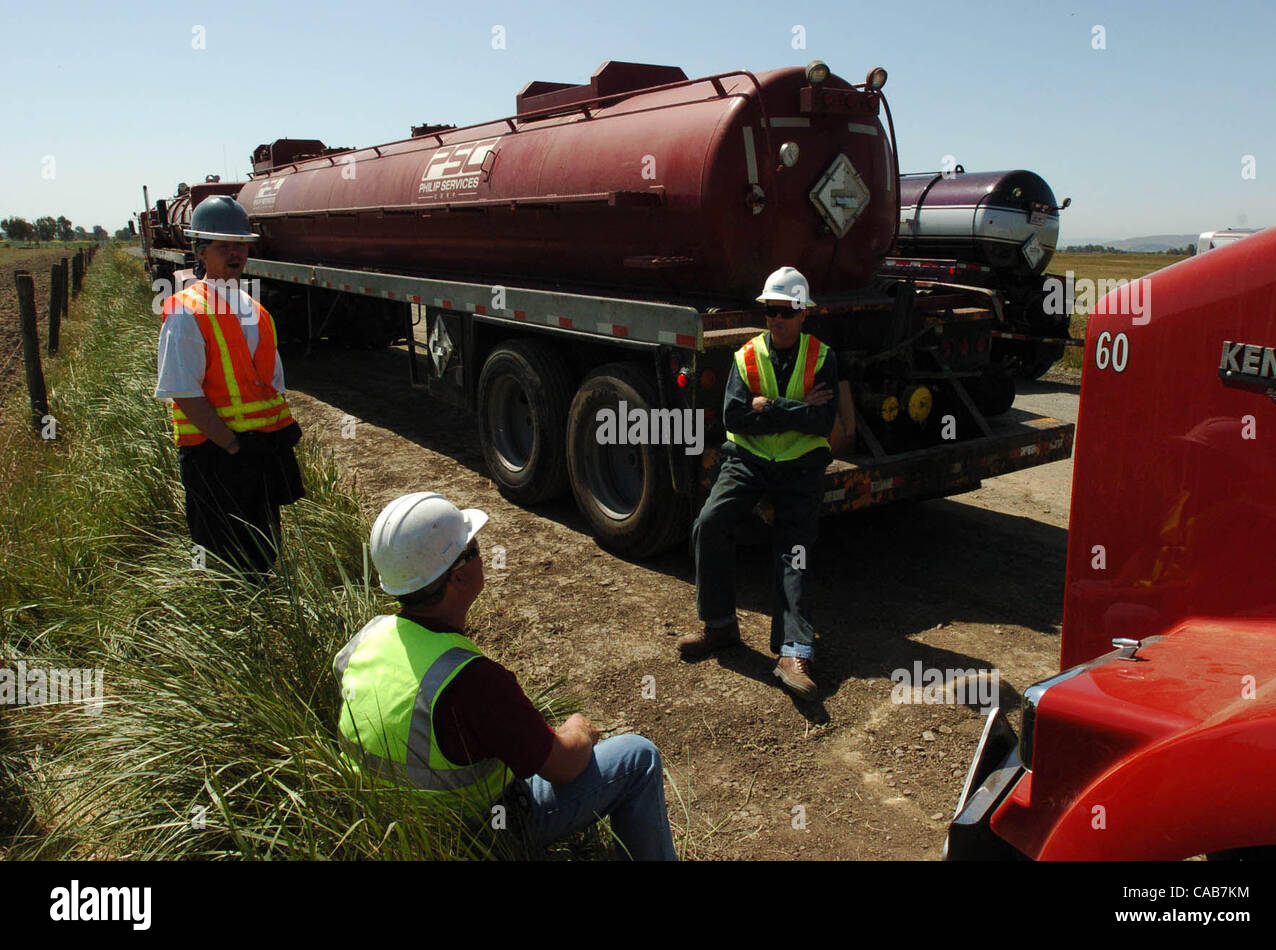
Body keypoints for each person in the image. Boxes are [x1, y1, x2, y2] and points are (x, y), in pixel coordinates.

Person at [336, 492, 676, 860]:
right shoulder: (473, 683)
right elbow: (563, 767)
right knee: (638, 756)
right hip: (472, 832)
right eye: (475, 547)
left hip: (387, 824)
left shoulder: (366, 639)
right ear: (460, 575)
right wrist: (579, 731)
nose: (483, 554)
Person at [679, 266, 839, 700]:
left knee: (795, 549)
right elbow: (733, 417)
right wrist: (793, 409)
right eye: (771, 310)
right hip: (747, 460)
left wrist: (767, 407)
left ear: (803, 313)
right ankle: (719, 626)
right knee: (710, 523)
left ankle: (794, 652)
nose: (777, 318)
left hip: (801, 464)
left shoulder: (821, 357)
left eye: (786, 310)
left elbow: (823, 421)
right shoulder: (746, 357)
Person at [154, 195, 304, 576]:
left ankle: (265, 618)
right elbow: (183, 392)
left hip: (259, 450)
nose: (236, 253)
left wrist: (265, 447)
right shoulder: (186, 310)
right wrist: (232, 444)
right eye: (224, 246)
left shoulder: (257, 310)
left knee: (263, 551)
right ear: (201, 252)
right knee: (223, 556)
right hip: (216, 454)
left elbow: (271, 387)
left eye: (241, 245)